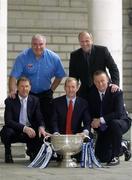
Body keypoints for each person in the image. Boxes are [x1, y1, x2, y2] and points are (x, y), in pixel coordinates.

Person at [9, 34, 66, 132]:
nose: (38, 47)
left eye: (41, 44)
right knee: (31, 120)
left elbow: (60, 75)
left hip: (45, 94)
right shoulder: (22, 57)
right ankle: (30, 144)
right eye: (35, 44)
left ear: (45, 44)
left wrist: (52, 89)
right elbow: (13, 77)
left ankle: (45, 144)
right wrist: (12, 90)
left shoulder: (54, 58)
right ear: (31, 44)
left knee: (47, 120)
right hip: (28, 94)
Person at [0, 77, 50, 163]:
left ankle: (32, 152)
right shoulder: (10, 101)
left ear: (30, 87)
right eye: (22, 86)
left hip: (30, 130)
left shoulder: (35, 100)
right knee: (6, 132)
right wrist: (24, 128)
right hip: (15, 129)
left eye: (26, 86)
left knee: (41, 132)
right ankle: (8, 153)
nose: (24, 89)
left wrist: (42, 127)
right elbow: (8, 121)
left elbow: (39, 117)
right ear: (17, 87)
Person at [87, 70, 131, 166]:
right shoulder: (91, 93)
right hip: (104, 127)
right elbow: (89, 112)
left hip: (121, 122)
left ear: (107, 80)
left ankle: (115, 157)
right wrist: (92, 122)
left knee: (114, 123)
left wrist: (100, 120)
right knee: (101, 156)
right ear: (94, 82)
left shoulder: (116, 91)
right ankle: (122, 146)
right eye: (97, 82)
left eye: (102, 80)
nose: (100, 84)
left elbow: (118, 113)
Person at [69, 31, 120, 99]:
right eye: (82, 41)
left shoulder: (102, 51)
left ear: (92, 40)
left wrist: (115, 83)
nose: (84, 44)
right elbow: (73, 76)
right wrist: (72, 90)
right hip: (85, 92)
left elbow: (113, 68)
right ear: (79, 42)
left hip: (103, 88)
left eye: (87, 41)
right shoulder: (74, 55)